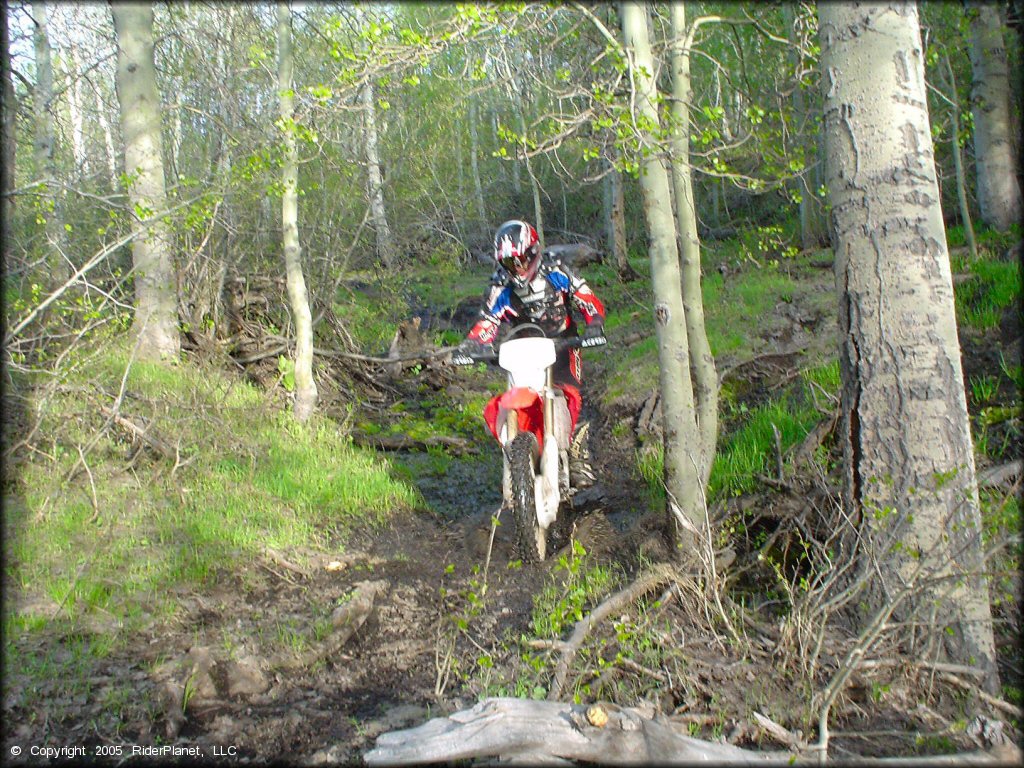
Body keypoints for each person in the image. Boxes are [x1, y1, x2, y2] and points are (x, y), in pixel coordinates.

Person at [458, 219, 606, 489]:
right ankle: (519, 450)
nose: (517, 268)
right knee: (511, 394)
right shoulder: (500, 286)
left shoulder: (556, 271)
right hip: (524, 348)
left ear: (533, 253)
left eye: (521, 261)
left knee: (568, 392)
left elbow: (586, 298)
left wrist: (594, 322)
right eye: (509, 263)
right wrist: (471, 344)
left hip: (563, 343)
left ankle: (574, 451)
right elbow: (488, 321)